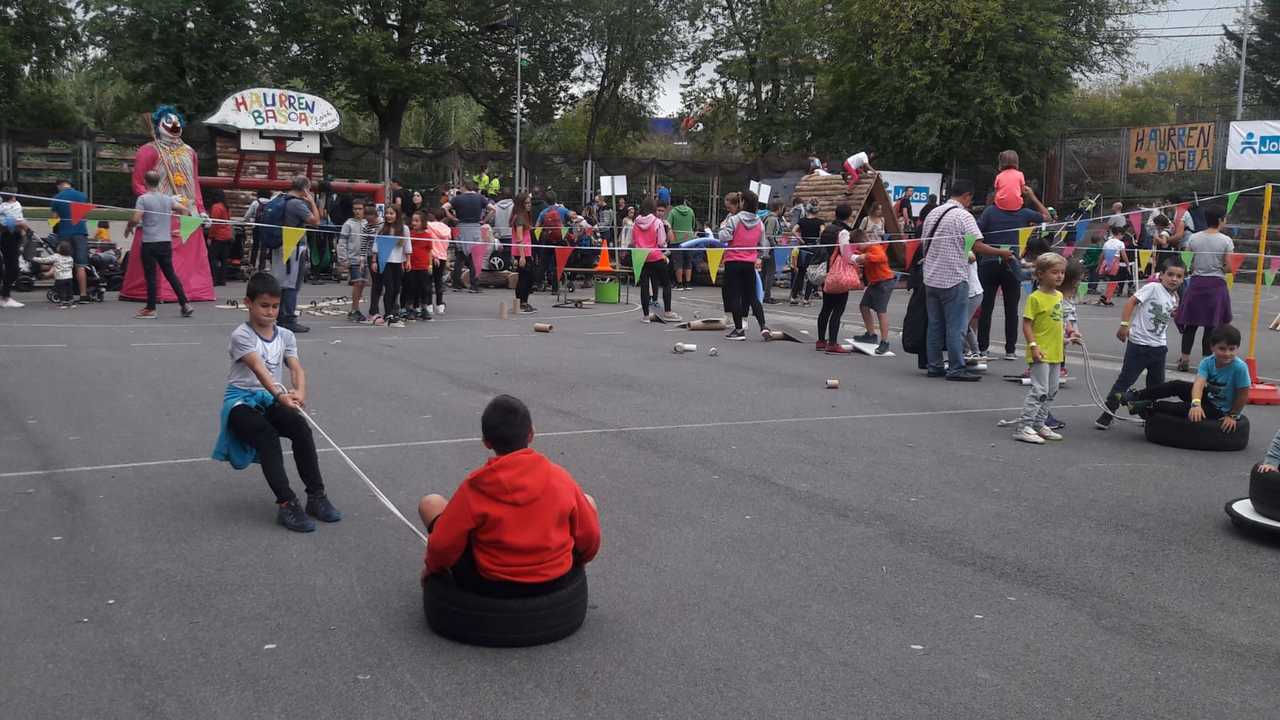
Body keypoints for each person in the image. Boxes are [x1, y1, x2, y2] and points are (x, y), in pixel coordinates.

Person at [417, 395, 601, 596]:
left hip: (492, 585)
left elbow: (442, 547)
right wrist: (579, 564)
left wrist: (431, 569)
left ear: (486, 442)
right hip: (554, 582)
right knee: (587, 501)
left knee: (431, 503)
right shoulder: (560, 478)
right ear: (531, 434)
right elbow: (590, 538)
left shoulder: (474, 488)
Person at [211, 272, 341, 533]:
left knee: (300, 428)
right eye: (264, 305)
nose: (270, 312)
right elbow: (259, 369)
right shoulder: (241, 335)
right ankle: (286, 503)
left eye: (275, 306)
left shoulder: (285, 335)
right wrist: (281, 396)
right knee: (267, 436)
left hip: (270, 398)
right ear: (248, 303)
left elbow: (296, 368)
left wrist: (299, 392)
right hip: (241, 402)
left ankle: (316, 496)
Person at [922, 180, 1013, 381]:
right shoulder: (964, 216)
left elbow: (923, 243)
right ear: (967, 196)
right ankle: (956, 367)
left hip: (931, 277)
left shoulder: (933, 213)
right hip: (954, 277)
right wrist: (1002, 253)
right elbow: (977, 246)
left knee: (935, 325)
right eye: (970, 199)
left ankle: (934, 365)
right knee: (956, 326)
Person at [1095, 257, 1186, 430]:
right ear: (1161, 275)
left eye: (1179, 276)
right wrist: (1124, 325)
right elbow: (1131, 302)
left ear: (1183, 279)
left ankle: (1148, 415)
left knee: (1156, 386)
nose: (1174, 279)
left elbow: (1167, 315)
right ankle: (1108, 413)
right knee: (1125, 381)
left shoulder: (1174, 297)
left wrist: (1177, 316)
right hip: (1139, 345)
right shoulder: (1153, 288)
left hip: (1159, 347)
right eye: (1170, 274)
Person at [1124, 324, 1249, 431]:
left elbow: (1243, 394)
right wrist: (1196, 404)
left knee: (1182, 408)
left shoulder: (1240, 367)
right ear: (1212, 347)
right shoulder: (1207, 362)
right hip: (1209, 397)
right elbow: (1198, 385)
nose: (1227, 353)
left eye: (1232, 349)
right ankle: (1137, 395)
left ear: (1237, 348)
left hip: (1220, 410)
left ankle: (1148, 406)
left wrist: (1232, 416)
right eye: (1222, 349)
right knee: (1177, 385)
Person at [976, 185, 1050, 361]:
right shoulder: (1023, 213)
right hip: (1012, 262)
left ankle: (982, 348)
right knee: (1011, 309)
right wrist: (1032, 196)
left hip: (989, 261)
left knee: (986, 308)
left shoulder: (989, 212)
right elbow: (1047, 217)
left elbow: (976, 230)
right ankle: (1010, 350)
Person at [1013, 253, 1079, 444]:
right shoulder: (1035, 298)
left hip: (1056, 350)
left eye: (1062, 272)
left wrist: (1070, 331)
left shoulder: (1059, 296)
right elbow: (1027, 324)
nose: (1059, 276)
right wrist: (1033, 346)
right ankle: (1024, 426)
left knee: (1052, 390)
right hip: (1040, 350)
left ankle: (1039, 423)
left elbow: (1061, 318)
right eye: (1054, 272)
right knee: (1039, 390)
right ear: (1040, 274)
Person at [124, 170, 194, 320]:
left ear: (145, 182)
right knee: (170, 274)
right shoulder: (167, 199)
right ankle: (185, 303)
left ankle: (151, 308)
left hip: (150, 242)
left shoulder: (143, 199)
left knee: (150, 276)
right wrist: (182, 228)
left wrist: (129, 226)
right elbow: (185, 209)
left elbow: (136, 219)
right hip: (165, 242)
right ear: (159, 182)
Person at [1175, 205, 1233, 371]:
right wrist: (1220, 267)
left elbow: (1186, 261)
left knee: (1190, 324)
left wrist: (1197, 267)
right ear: (1221, 220)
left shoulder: (1194, 238)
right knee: (1211, 325)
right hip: (1216, 285)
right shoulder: (1226, 240)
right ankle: (1205, 361)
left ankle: (1184, 359)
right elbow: (1229, 267)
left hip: (1197, 283)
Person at [269, 176, 321, 333]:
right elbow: (316, 221)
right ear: (305, 189)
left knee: (283, 283)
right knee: (292, 284)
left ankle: (281, 316)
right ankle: (289, 318)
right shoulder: (297, 204)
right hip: (294, 246)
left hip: (281, 243)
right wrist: (312, 201)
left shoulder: (280, 198)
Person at [718, 190, 770, 341]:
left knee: (735, 295)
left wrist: (723, 227)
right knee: (752, 296)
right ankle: (763, 326)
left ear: (743, 203)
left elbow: (724, 237)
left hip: (733, 261)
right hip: (749, 263)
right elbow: (764, 245)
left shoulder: (734, 219)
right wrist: (759, 257)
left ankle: (739, 330)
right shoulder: (760, 223)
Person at [814, 205, 858, 353]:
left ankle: (821, 340)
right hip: (838, 273)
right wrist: (859, 259)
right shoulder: (843, 232)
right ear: (849, 216)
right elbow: (846, 254)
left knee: (826, 307)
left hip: (825, 270)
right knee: (838, 309)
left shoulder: (827, 229)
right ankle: (832, 343)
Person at [853, 215, 895, 355]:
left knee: (881, 312)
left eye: (857, 245)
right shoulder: (863, 249)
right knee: (864, 306)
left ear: (862, 241)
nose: (857, 248)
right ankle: (871, 334)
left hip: (884, 281)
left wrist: (866, 257)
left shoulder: (874, 247)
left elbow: (882, 257)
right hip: (875, 282)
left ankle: (885, 342)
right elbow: (857, 254)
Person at [443, 180, 494, 293]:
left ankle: (456, 284)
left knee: (460, 256)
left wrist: (452, 218)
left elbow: (444, 207)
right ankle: (474, 285)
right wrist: (484, 220)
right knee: (474, 257)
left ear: (464, 187)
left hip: (460, 227)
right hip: (475, 228)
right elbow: (493, 209)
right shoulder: (480, 198)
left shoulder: (457, 199)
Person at [633, 198, 678, 322]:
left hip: (641, 257)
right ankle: (668, 312)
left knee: (644, 286)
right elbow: (661, 242)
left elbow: (633, 240)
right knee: (666, 283)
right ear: (653, 209)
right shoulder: (657, 222)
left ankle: (646, 316)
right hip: (655, 256)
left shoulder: (636, 222)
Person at [51, 179, 92, 303]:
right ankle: (83, 295)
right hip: (80, 232)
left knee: (64, 264)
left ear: (59, 186)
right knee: (81, 265)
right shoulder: (82, 196)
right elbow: (85, 216)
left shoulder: (57, 197)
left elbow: (54, 218)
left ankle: (65, 294)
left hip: (64, 233)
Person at [376, 204, 410, 328]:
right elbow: (376, 244)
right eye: (387, 213)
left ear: (397, 215)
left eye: (391, 213)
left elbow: (407, 244)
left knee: (396, 288)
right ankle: (388, 314)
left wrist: (408, 260)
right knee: (389, 288)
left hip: (398, 261)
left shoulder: (404, 228)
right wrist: (374, 260)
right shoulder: (382, 227)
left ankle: (393, 311)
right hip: (385, 261)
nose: (388, 216)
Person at [534, 191, 570, 295]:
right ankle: (555, 288)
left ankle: (538, 283)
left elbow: (537, 227)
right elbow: (573, 219)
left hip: (548, 240)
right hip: (560, 240)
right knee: (557, 264)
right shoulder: (563, 210)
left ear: (546, 201)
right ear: (556, 199)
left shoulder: (544, 212)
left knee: (543, 263)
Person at [338, 200, 369, 322]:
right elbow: (342, 242)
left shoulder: (368, 223)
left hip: (365, 259)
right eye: (355, 209)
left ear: (364, 210)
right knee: (357, 283)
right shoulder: (348, 224)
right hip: (353, 259)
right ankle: (354, 310)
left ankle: (356, 309)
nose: (357, 211)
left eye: (360, 209)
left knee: (362, 284)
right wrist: (343, 259)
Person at [0, 186, 28, 308]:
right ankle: (5, 297)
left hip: (12, 237)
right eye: (15, 194)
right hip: (9, 238)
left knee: (11, 268)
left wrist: (22, 225)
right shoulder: (13, 206)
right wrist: (22, 224)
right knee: (13, 269)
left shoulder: (8, 206)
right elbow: (13, 223)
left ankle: (4, 296)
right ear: (12, 196)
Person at [791, 202, 823, 305]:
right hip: (813, 248)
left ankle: (793, 297)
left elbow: (793, 230)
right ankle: (806, 299)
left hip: (803, 247)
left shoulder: (802, 221)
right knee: (811, 272)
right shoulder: (819, 222)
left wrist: (801, 240)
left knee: (800, 273)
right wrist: (819, 240)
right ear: (817, 210)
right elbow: (823, 232)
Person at [511, 193, 537, 313]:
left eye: (529, 202)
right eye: (526, 203)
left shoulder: (523, 216)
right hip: (521, 252)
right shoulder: (520, 217)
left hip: (526, 251)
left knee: (527, 277)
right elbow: (519, 238)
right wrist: (522, 256)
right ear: (520, 204)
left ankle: (523, 302)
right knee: (525, 278)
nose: (529, 205)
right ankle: (522, 303)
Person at [423, 208, 451, 317]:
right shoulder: (447, 229)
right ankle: (440, 305)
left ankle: (429, 305)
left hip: (431, 256)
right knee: (438, 281)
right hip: (442, 257)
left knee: (428, 281)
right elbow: (447, 243)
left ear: (434, 216)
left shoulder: (429, 226)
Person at [406, 211, 434, 321]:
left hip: (423, 266)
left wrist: (430, 265)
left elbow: (429, 251)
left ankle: (424, 308)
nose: (414, 223)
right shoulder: (409, 234)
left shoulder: (427, 236)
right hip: (411, 266)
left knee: (424, 288)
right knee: (411, 287)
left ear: (423, 222)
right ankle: (411, 308)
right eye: (413, 220)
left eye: (417, 221)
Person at [760, 199, 789, 304]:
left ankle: (761, 294)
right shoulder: (772, 219)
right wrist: (774, 245)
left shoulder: (769, 217)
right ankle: (766, 296)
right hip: (768, 249)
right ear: (779, 208)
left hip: (765, 249)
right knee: (770, 273)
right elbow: (769, 235)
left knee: (764, 272)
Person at [205, 188, 233, 286]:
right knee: (224, 260)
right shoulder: (226, 206)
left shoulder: (216, 207)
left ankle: (215, 279)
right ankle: (222, 280)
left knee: (213, 258)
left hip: (218, 236)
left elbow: (215, 224)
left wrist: (210, 237)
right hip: (227, 235)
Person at [668, 196, 697, 290]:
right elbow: (693, 225)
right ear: (684, 201)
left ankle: (679, 284)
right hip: (689, 239)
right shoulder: (691, 211)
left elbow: (669, 225)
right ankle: (688, 283)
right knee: (688, 261)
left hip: (676, 240)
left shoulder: (673, 212)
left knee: (678, 262)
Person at [1097, 226, 1128, 306]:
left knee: (1110, 280)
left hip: (1106, 261)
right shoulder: (1120, 243)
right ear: (1119, 234)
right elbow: (1124, 255)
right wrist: (1127, 264)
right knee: (1114, 281)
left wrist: (1099, 265)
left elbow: (1102, 255)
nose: (1123, 237)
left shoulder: (1107, 242)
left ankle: (1105, 295)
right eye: (1122, 235)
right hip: (1114, 262)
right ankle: (1108, 299)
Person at [41, 241, 76, 307]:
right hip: (69, 278)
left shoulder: (57, 257)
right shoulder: (70, 258)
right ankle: (71, 302)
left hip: (61, 278)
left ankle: (63, 302)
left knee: (61, 290)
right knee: (69, 290)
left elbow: (47, 260)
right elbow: (71, 266)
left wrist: (35, 259)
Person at [245, 189, 271, 271]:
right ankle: (262, 266)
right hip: (267, 228)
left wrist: (250, 221)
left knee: (255, 246)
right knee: (264, 247)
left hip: (256, 227)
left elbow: (247, 216)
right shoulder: (272, 203)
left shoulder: (255, 203)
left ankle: (252, 265)